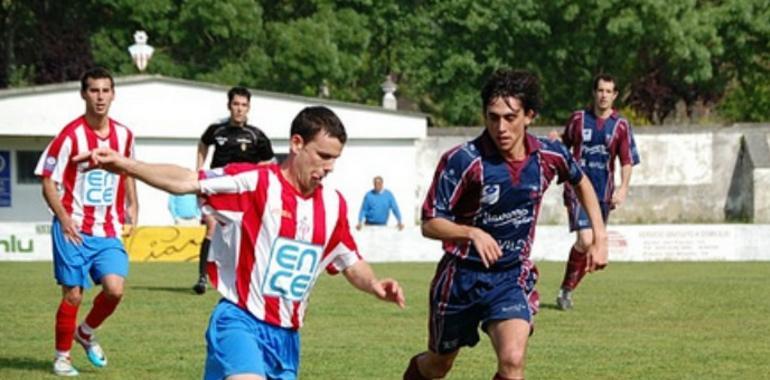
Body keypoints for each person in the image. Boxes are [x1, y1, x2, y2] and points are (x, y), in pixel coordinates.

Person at [81, 105, 406, 380]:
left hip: (287, 340)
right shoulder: (255, 183)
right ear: (296, 144)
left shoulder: (333, 205)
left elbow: (349, 260)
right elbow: (187, 181)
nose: (329, 167)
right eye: (322, 156)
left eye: (335, 159)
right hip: (241, 321)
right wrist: (126, 164)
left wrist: (375, 285)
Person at [402, 69, 608, 380]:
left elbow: (582, 182)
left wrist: (600, 237)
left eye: (510, 117)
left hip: (511, 276)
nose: (501, 127)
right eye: (493, 117)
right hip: (460, 278)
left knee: (512, 361)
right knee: (438, 365)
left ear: (529, 116)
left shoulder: (549, 155)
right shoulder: (463, 160)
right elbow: (430, 222)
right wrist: (470, 232)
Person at [35, 67, 138, 376]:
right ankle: (62, 358)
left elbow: (128, 169)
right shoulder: (69, 136)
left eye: (105, 90)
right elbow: (47, 181)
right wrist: (64, 219)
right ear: (83, 94)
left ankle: (86, 332)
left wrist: (133, 203)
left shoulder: (125, 135)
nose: (100, 97)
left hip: (107, 230)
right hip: (74, 229)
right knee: (74, 294)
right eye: (94, 90)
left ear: (113, 94)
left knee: (115, 289)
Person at [552, 74, 640, 310]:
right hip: (577, 188)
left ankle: (566, 290)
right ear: (594, 93)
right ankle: (566, 291)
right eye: (600, 90)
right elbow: (564, 143)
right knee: (586, 238)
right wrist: (555, 140)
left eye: (608, 91)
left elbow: (627, 161)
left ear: (615, 95)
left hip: (603, 193)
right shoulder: (579, 119)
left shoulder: (621, 125)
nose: (603, 95)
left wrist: (623, 188)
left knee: (591, 247)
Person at [193, 86, 275, 295]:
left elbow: (269, 162)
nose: (239, 109)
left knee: (246, 232)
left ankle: (247, 276)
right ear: (229, 106)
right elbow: (203, 144)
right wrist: (199, 169)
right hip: (219, 184)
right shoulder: (216, 130)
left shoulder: (256, 135)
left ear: (249, 108)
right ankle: (202, 277)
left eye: (244, 105)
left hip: (244, 189)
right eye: (236, 104)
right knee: (211, 226)